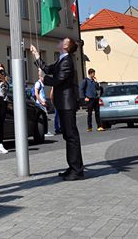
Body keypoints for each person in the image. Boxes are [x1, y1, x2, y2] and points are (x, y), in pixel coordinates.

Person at [30, 38, 84, 180]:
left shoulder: (67, 61)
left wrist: (44, 80)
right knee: (67, 136)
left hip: (67, 104)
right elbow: (48, 69)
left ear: (66, 46)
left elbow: (58, 80)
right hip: (63, 104)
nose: (59, 42)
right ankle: (72, 166)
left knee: (72, 136)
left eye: (63, 41)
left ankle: (77, 170)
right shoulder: (61, 59)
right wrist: (36, 55)